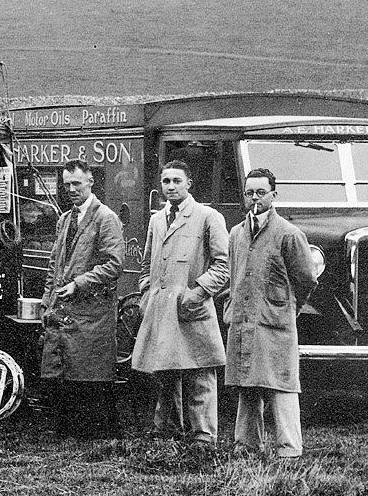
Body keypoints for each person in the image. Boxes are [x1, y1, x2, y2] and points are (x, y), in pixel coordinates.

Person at [130, 160, 229, 445]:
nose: (170, 186)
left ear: (189, 184)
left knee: (199, 372)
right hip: (161, 309)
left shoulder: (208, 216)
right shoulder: (157, 219)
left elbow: (223, 265)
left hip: (192, 307)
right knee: (164, 371)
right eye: (165, 181)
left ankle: (203, 435)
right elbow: (146, 263)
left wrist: (197, 293)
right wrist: (146, 292)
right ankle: (167, 428)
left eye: (176, 181)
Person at [225, 167, 318, 461]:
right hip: (242, 321)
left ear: (274, 195)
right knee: (246, 385)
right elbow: (232, 276)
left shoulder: (289, 234)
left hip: (275, 324)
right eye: (249, 192)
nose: (255, 198)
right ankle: (246, 446)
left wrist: (287, 307)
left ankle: (289, 450)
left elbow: (306, 280)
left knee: (281, 386)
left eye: (261, 192)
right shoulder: (236, 234)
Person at [40, 159, 124, 437]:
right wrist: (46, 302)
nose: (72, 189)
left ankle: (93, 434)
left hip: (92, 313)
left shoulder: (106, 218)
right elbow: (55, 265)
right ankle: (66, 430)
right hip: (64, 311)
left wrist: (80, 283)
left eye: (77, 183)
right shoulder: (65, 220)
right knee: (64, 370)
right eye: (67, 185)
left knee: (88, 372)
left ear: (91, 182)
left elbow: (114, 264)